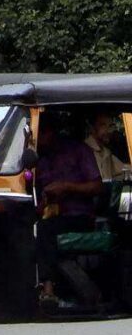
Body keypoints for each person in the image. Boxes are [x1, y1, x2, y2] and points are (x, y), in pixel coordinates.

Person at [34, 115, 103, 310]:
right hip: (51, 214)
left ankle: (48, 289)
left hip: (78, 216)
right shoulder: (40, 159)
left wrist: (67, 187)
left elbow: (97, 186)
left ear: (51, 133)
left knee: (45, 230)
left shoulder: (79, 151)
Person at [84, 112, 129, 181]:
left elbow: (123, 169)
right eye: (103, 125)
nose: (108, 130)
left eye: (110, 126)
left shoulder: (106, 152)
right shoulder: (83, 151)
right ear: (92, 128)